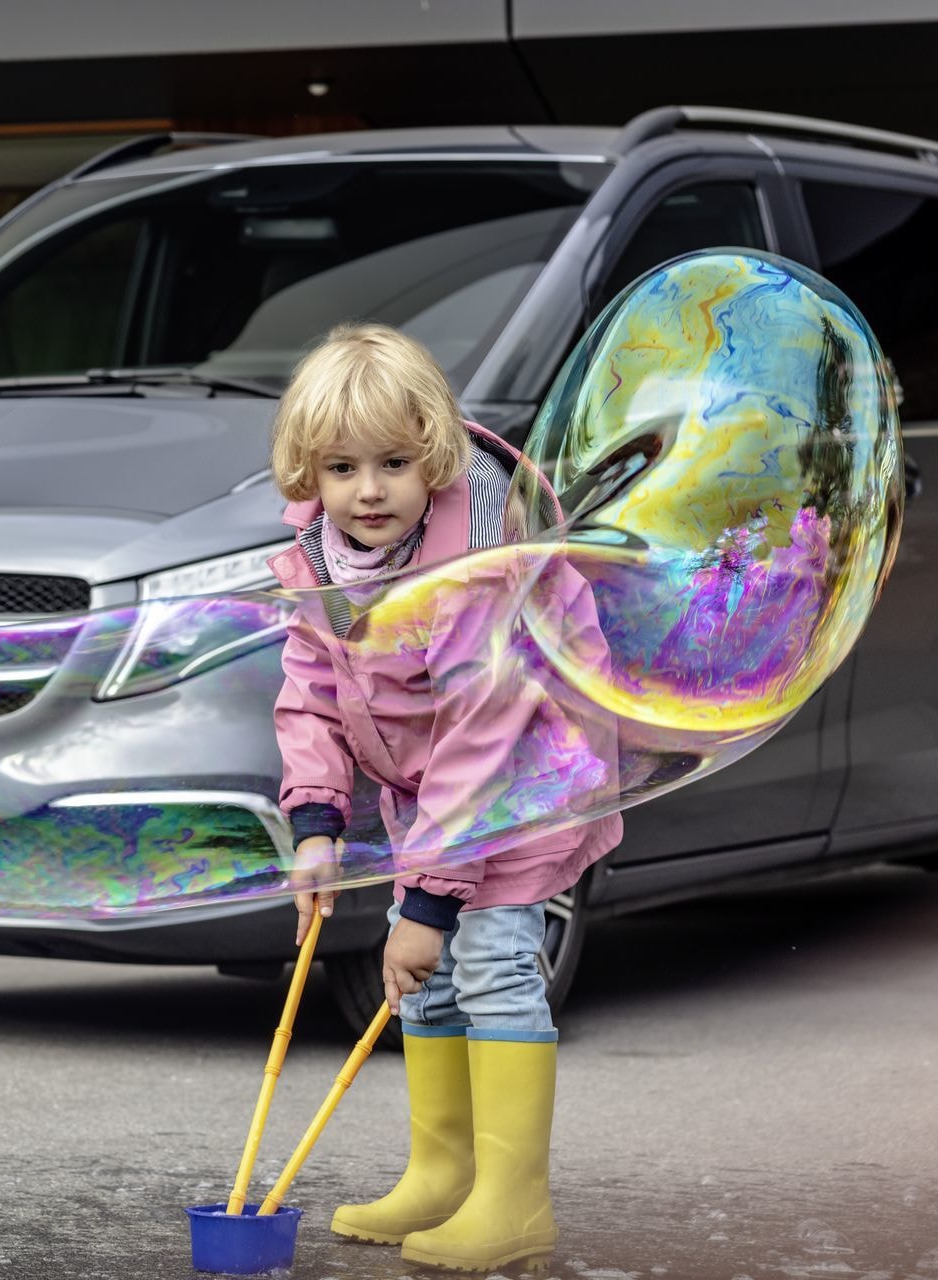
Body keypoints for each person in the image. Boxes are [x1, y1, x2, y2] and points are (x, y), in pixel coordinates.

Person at [263, 322, 622, 1274]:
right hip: (430, 803)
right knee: (418, 979)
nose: (368, 489)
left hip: (526, 783)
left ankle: (514, 1200)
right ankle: (441, 1172)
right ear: (311, 474)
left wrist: (424, 902)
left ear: (435, 457)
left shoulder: (478, 565)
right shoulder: (321, 562)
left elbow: (481, 734)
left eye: (392, 462)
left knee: (492, 959)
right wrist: (315, 825)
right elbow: (309, 695)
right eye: (341, 467)